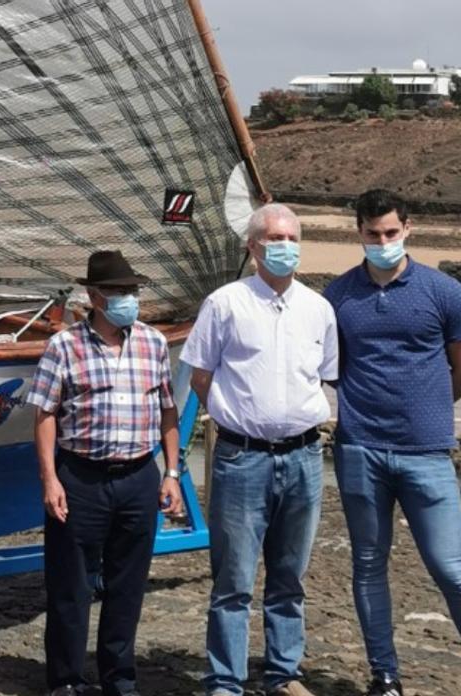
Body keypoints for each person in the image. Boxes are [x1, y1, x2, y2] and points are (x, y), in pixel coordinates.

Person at [181, 203, 337, 696]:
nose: (284, 246)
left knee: (290, 576)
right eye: (273, 238)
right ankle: (226, 681)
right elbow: (200, 377)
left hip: (305, 458)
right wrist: (238, 418)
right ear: (252, 247)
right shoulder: (224, 303)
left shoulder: (319, 308)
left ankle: (283, 673)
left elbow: (326, 375)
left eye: (291, 237)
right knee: (233, 580)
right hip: (242, 458)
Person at [323, 189, 461, 696]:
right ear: (358, 232)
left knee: (452, 566)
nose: (382, 241)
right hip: (359, 447)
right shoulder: (337, 296)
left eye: (391, 232)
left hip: (427, 450)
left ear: (407, 229)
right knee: (368, 563)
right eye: (372, 233)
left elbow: (458, 368)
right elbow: (333, 368)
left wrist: (425, 408)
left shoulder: (444, 292)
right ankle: (384, 674)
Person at [27, 249, 183, 696]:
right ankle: (67, 681)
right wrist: (50, 479)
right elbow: (43, 414)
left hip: (138, 477)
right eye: (119, 292)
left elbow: (167, 410)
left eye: (132, 291)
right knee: (70, 587)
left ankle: (120, 678)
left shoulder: (153, 343)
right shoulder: (64, 345)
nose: (128, 299)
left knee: (127, 586)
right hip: (82, 477)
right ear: (94, 297)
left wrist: (171, 472)